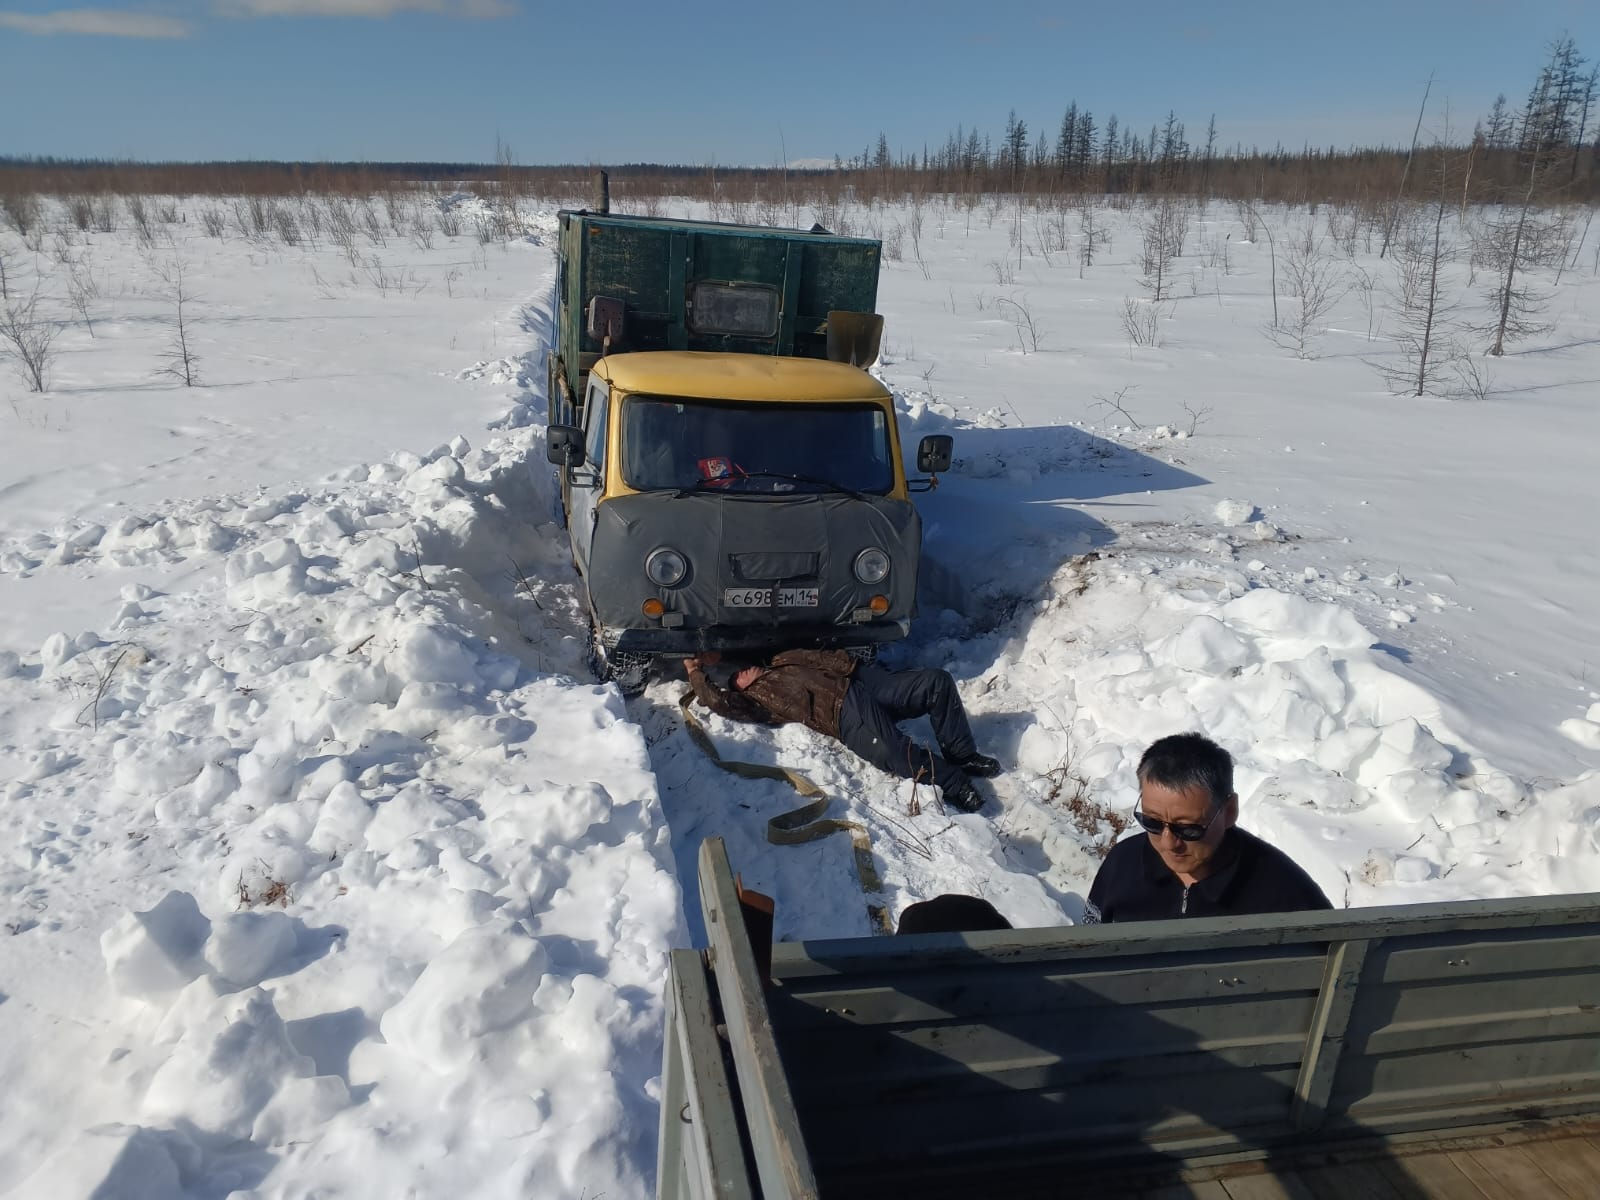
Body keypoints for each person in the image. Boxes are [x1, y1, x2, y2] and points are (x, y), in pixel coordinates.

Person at [683, 649, 999, 813]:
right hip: (844, 709)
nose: (741, 672)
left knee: (935, 682)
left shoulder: (780, 659)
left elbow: (750, 643)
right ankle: (955, 783)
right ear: (739, 689)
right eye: (735, 677)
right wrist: (696, 673)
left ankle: (963, 756)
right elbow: (719, 702)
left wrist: (720, 656)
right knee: (893, 753)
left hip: (861, 679)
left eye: (741, 667)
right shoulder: (760, 700)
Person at [1083, 733, 1332, 923]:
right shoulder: (1122, 863)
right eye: (1152, 822)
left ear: (1229, 811)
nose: (1169, 843)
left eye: (1188, 829)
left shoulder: (1284, 892)